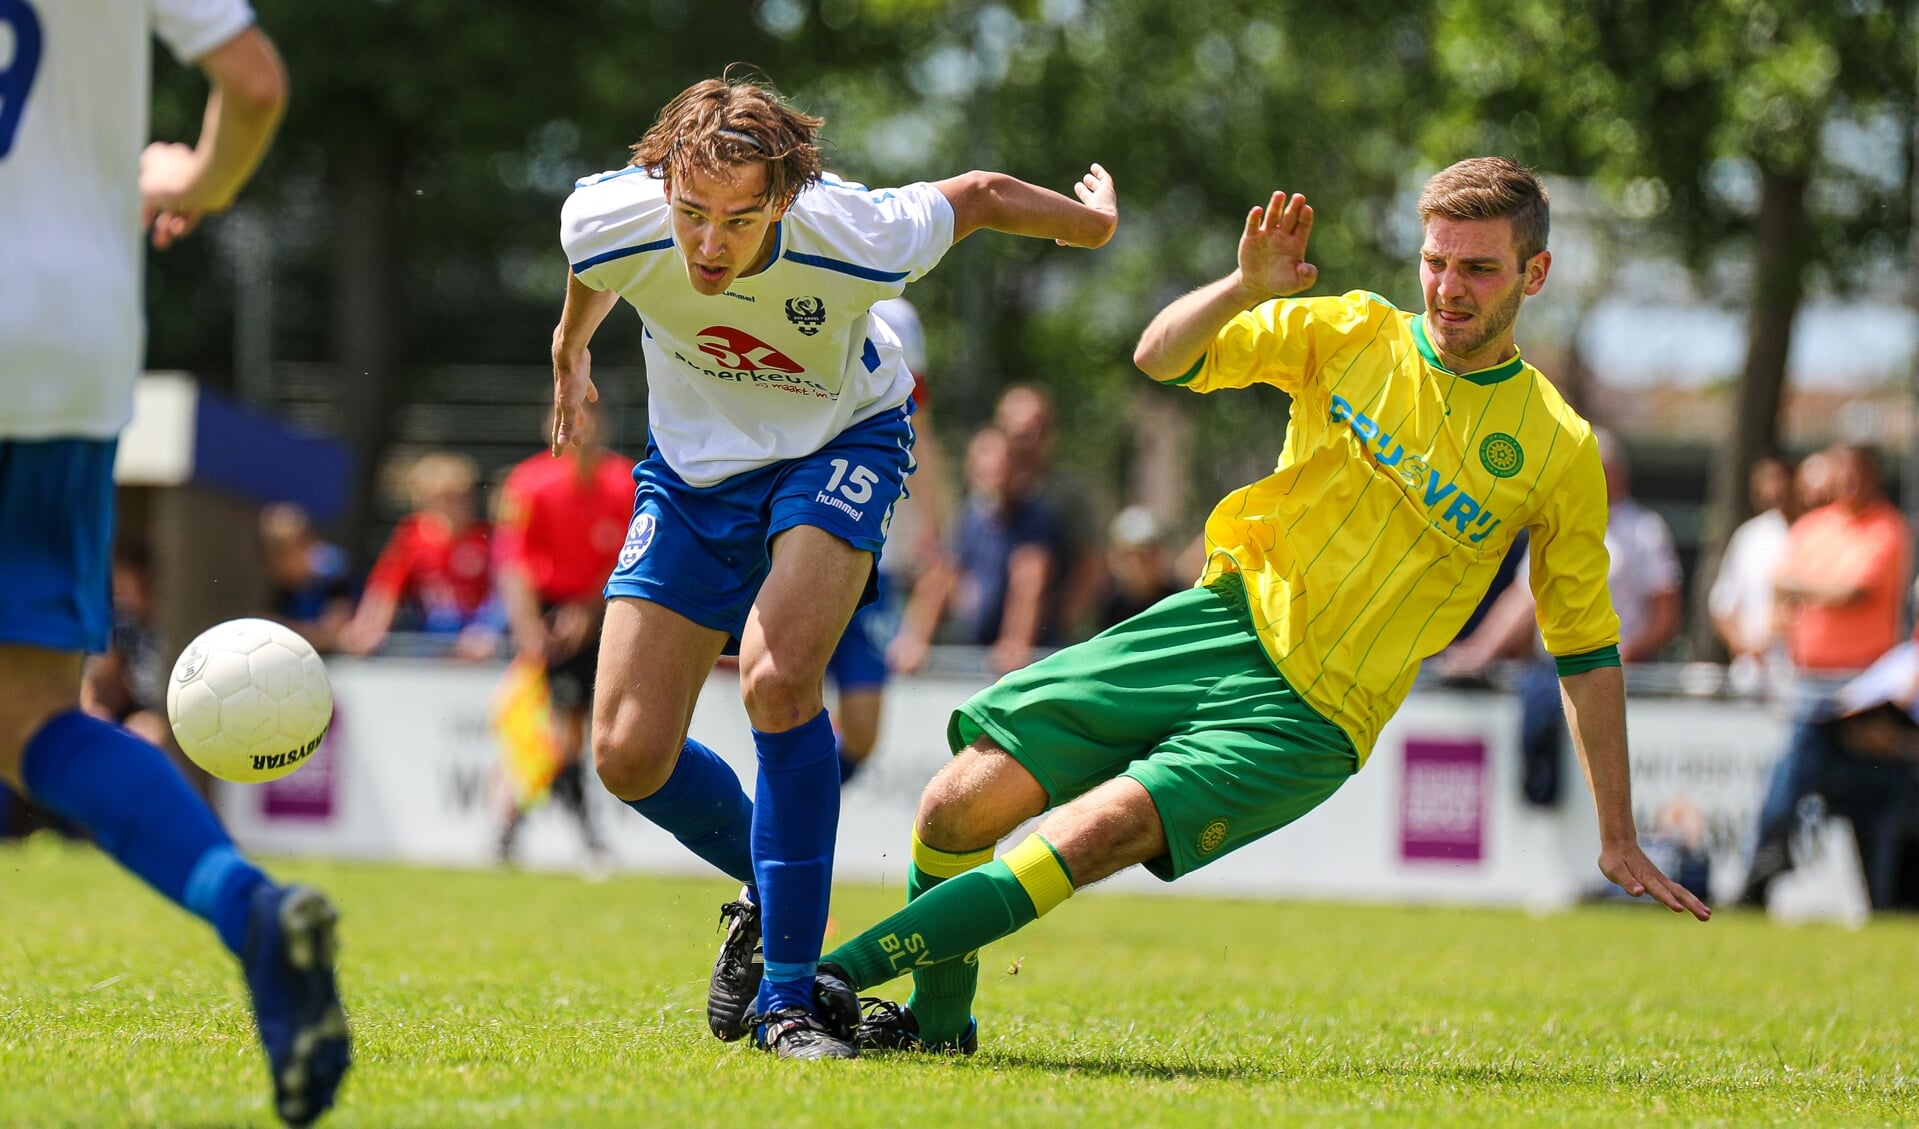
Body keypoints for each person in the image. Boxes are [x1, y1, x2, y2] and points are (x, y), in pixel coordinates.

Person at [815, 159, 1708, 1057]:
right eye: (1437, 261)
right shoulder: (1352, 330)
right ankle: (935, 1028)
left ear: (1533, 274)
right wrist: (1242, 286)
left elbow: (1586, 649)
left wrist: (1618, 833)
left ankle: (819, 981)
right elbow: (1160, 354)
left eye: (1478, 268)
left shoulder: (1558, 446)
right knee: (952, 808)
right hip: (1215, 621)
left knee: (1096, 830)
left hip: (1315, 715)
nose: (1449, 287)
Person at [550, 72, 1116, 1060]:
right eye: (690, 215)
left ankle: (786, 1004)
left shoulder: (852, 229)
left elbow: (978, 194)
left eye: (738, 219)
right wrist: (568, 348)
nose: (709, 245)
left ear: (783, 197)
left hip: (839, 443)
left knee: (775, 677)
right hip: (689, 474)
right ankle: (773, 892)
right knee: (626, 753)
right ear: (663, 188)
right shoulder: (607, 215)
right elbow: (596, 268)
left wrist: (1091, 228)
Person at [0, 4, 349, 1124]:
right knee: (31, 719)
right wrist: (199, 182)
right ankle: (243, 904)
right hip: (68, 347)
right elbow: (250, 83)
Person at [1444, 428, 1683, 805]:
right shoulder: (1557, 524)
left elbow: (1666, 614)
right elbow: (1523, 598)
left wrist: (1627, 658)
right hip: (1557, 672)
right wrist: (1478, 652)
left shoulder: (1645, 531)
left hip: (1620, 678)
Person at [492, 401, 635, 866]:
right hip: (549, 619)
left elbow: (629, 553)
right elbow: (513, 562)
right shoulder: (526, 482)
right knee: (556, 734)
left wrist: (589, 609)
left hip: (607, 610)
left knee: (578, 734)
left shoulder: (625, 480)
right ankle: (559, 830)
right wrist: (531, 627)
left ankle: (522, 828)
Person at [828, 296, 948, 786]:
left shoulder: (898, 317)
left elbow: (917, 426)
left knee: (862, 732)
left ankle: (791, 817)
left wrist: (935, 524)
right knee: (787, 699)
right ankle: (779, 836)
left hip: (875, 571)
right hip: (809, 542)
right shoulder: (822, 290)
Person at [888, 427, 1064, 676]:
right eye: (985, 466)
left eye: (1001, 464)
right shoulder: (968, 517)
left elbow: (1029, 581)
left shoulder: (1033, 519)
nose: (994, 471)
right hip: (976, 646)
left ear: (1014, 469)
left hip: (1028, 651)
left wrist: (1016, 642)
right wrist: (914, 639)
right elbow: (940, 576)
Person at [338, 452, 498, 659]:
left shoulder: (485, 538)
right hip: (430, 641)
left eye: (463, 497)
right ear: (424, 501)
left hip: (481, 640)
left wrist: (487, 632)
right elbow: (385, 589)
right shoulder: (412, 537)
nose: (457, 507)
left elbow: (503, 595)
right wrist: (367, 629)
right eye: (445, 499)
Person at [1773, 444, 1911, 676]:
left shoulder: (1888, 528)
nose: (1849, 477)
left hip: (1863, 674)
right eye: (1843, 469)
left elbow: (1854, 593)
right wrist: (1828, 592)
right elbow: (1779, 583)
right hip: (1805, 671)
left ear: (1874, 475)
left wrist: (1803, 590)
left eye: (1858, 469)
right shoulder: (1812, 525)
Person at [1708, 454, 1794, 695]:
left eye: (1779, 481)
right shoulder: (1749, 536)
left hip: (1797, 673)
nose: (1772, 491)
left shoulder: (1809, 533)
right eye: (1764, 483)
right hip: (1751, 675)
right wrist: (1745, 646)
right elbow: (1723, 605)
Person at [260, 503, 356, 654]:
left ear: (308, 543)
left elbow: (333, 635)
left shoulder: (334, 575)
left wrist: (283, 632)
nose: (279, 561)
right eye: (274, 552)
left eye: (285, 551)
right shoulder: (279, 584)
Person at [1092, 505, 1182, 631]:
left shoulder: (1178, 603)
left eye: (1145, 555)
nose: (1136, 565)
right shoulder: (1109, 609)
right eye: (1127, 555)